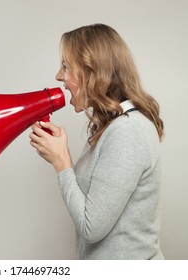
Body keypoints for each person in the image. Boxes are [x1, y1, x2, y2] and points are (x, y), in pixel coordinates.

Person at [29, 24, 164, 259]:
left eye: (66, 66)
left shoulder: (127, 131)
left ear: (92, 72)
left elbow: (91, 228)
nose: (59, 76)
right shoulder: (110, 126)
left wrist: (62, 163)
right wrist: (64, 158)